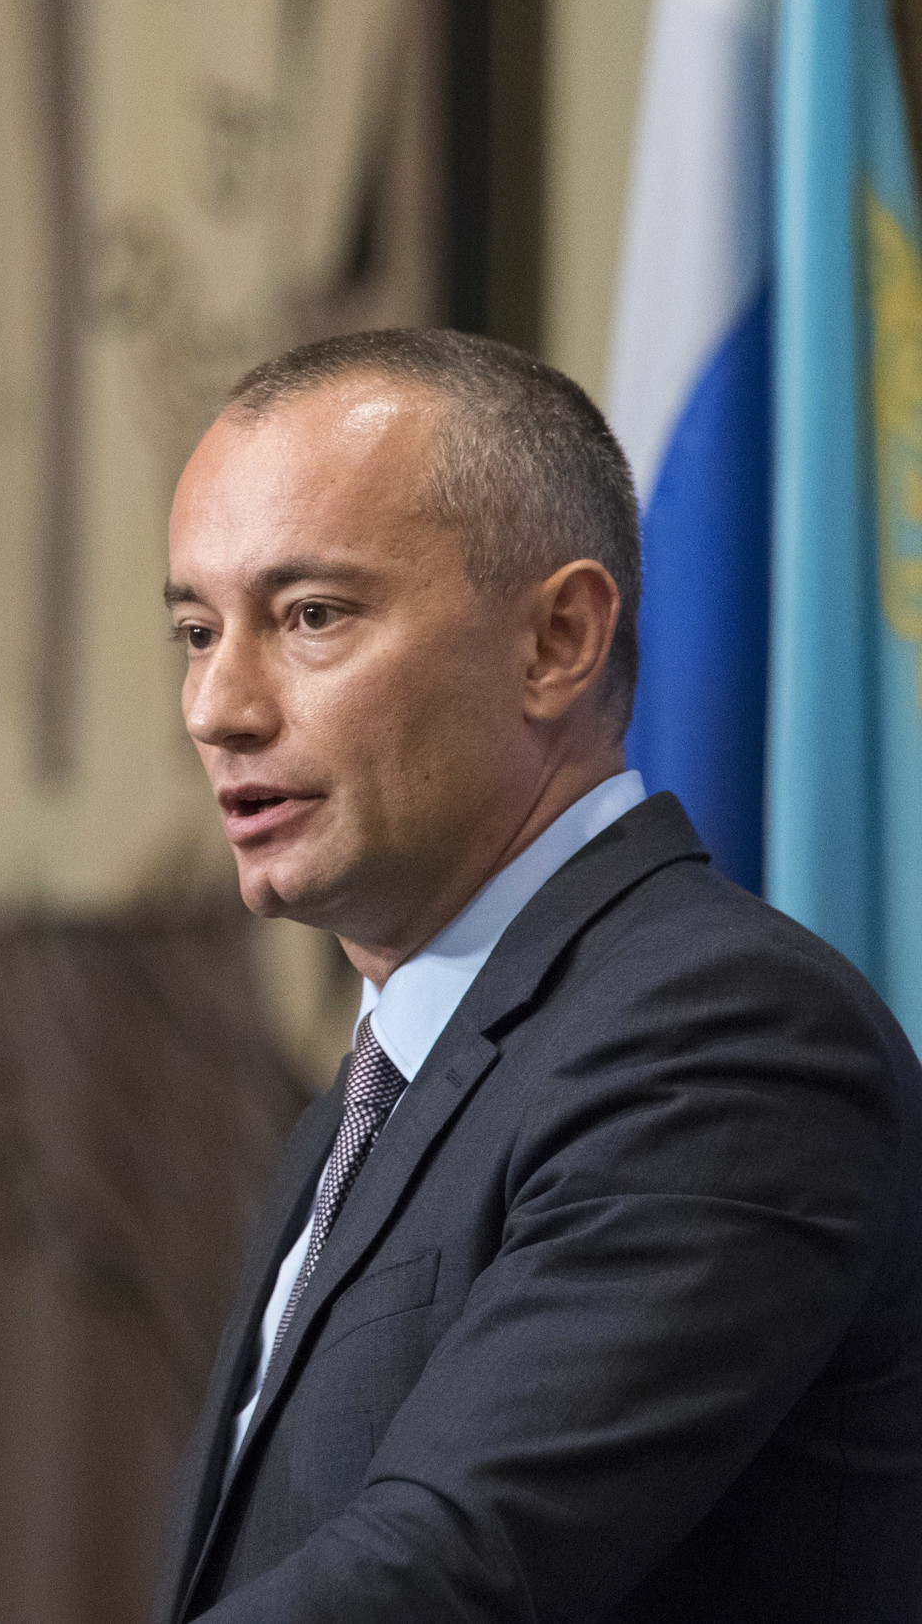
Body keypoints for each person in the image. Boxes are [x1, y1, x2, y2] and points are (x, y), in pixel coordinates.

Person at [155, 329, 922, 1622]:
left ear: (558, 638)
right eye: (193, 628)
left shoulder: (723, 1039)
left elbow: (453, 1571)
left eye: (309, 617)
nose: (216, 706)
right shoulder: (363, 1107)